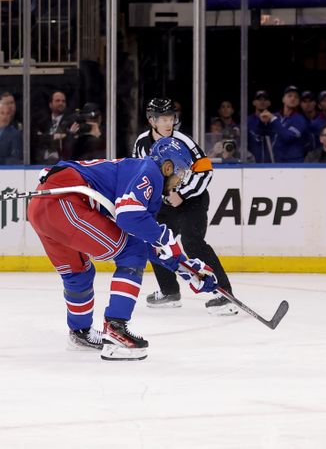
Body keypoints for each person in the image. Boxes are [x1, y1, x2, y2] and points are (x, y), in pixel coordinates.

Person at [27, 136, 218, 360]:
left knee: (78, 272)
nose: (181, 181)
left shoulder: (138, 175)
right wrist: (166, 239)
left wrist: (186, 269)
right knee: (132, 252)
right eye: (182, 173)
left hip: (44, 209)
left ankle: (81, 333)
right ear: (168, 166)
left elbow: (143, 238)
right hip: (65, 204)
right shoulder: (150, 172)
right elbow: (131, 220)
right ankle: (116, 330)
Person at [132, 98, 237, 315]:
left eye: (171, 117)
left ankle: (224, 293)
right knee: (156, 241)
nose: (168, 123)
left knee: (193, 243)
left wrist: (182, 193)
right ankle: (169, 291)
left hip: (192, 201)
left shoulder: (184, 141)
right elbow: (138, 173)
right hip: (165, 204)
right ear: (152, 120)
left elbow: (205, 170)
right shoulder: (141, 143)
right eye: (163, 118)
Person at [261, 86, 309, 163]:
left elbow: (288, 137)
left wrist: (273, 120)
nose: (293, 98)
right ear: (283, 99)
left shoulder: (300, 119)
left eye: (296, 97)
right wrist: (262, 123)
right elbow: (261, 134)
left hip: (293, 164)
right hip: (274, 162)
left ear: (298, 102)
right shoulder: (276, 116)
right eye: (289, 96)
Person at [33, 90, 70, 164]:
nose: (61, 103)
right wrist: (53, 137)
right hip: (40, 162)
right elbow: (37, 139)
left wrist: (45, 137)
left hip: (62, 162)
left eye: (63, 101)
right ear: (50, 104)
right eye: (57, 101)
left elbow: (68, 140)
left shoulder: (70, 121)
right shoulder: (41, 121)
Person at [247, 90, 273, 163]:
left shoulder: (274, 120)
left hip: (272, 165)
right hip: (253, 165)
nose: (262, 102)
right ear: (254, 103)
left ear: (269, 103)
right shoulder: (248, 121)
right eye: (259, 100)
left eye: (265, 100)